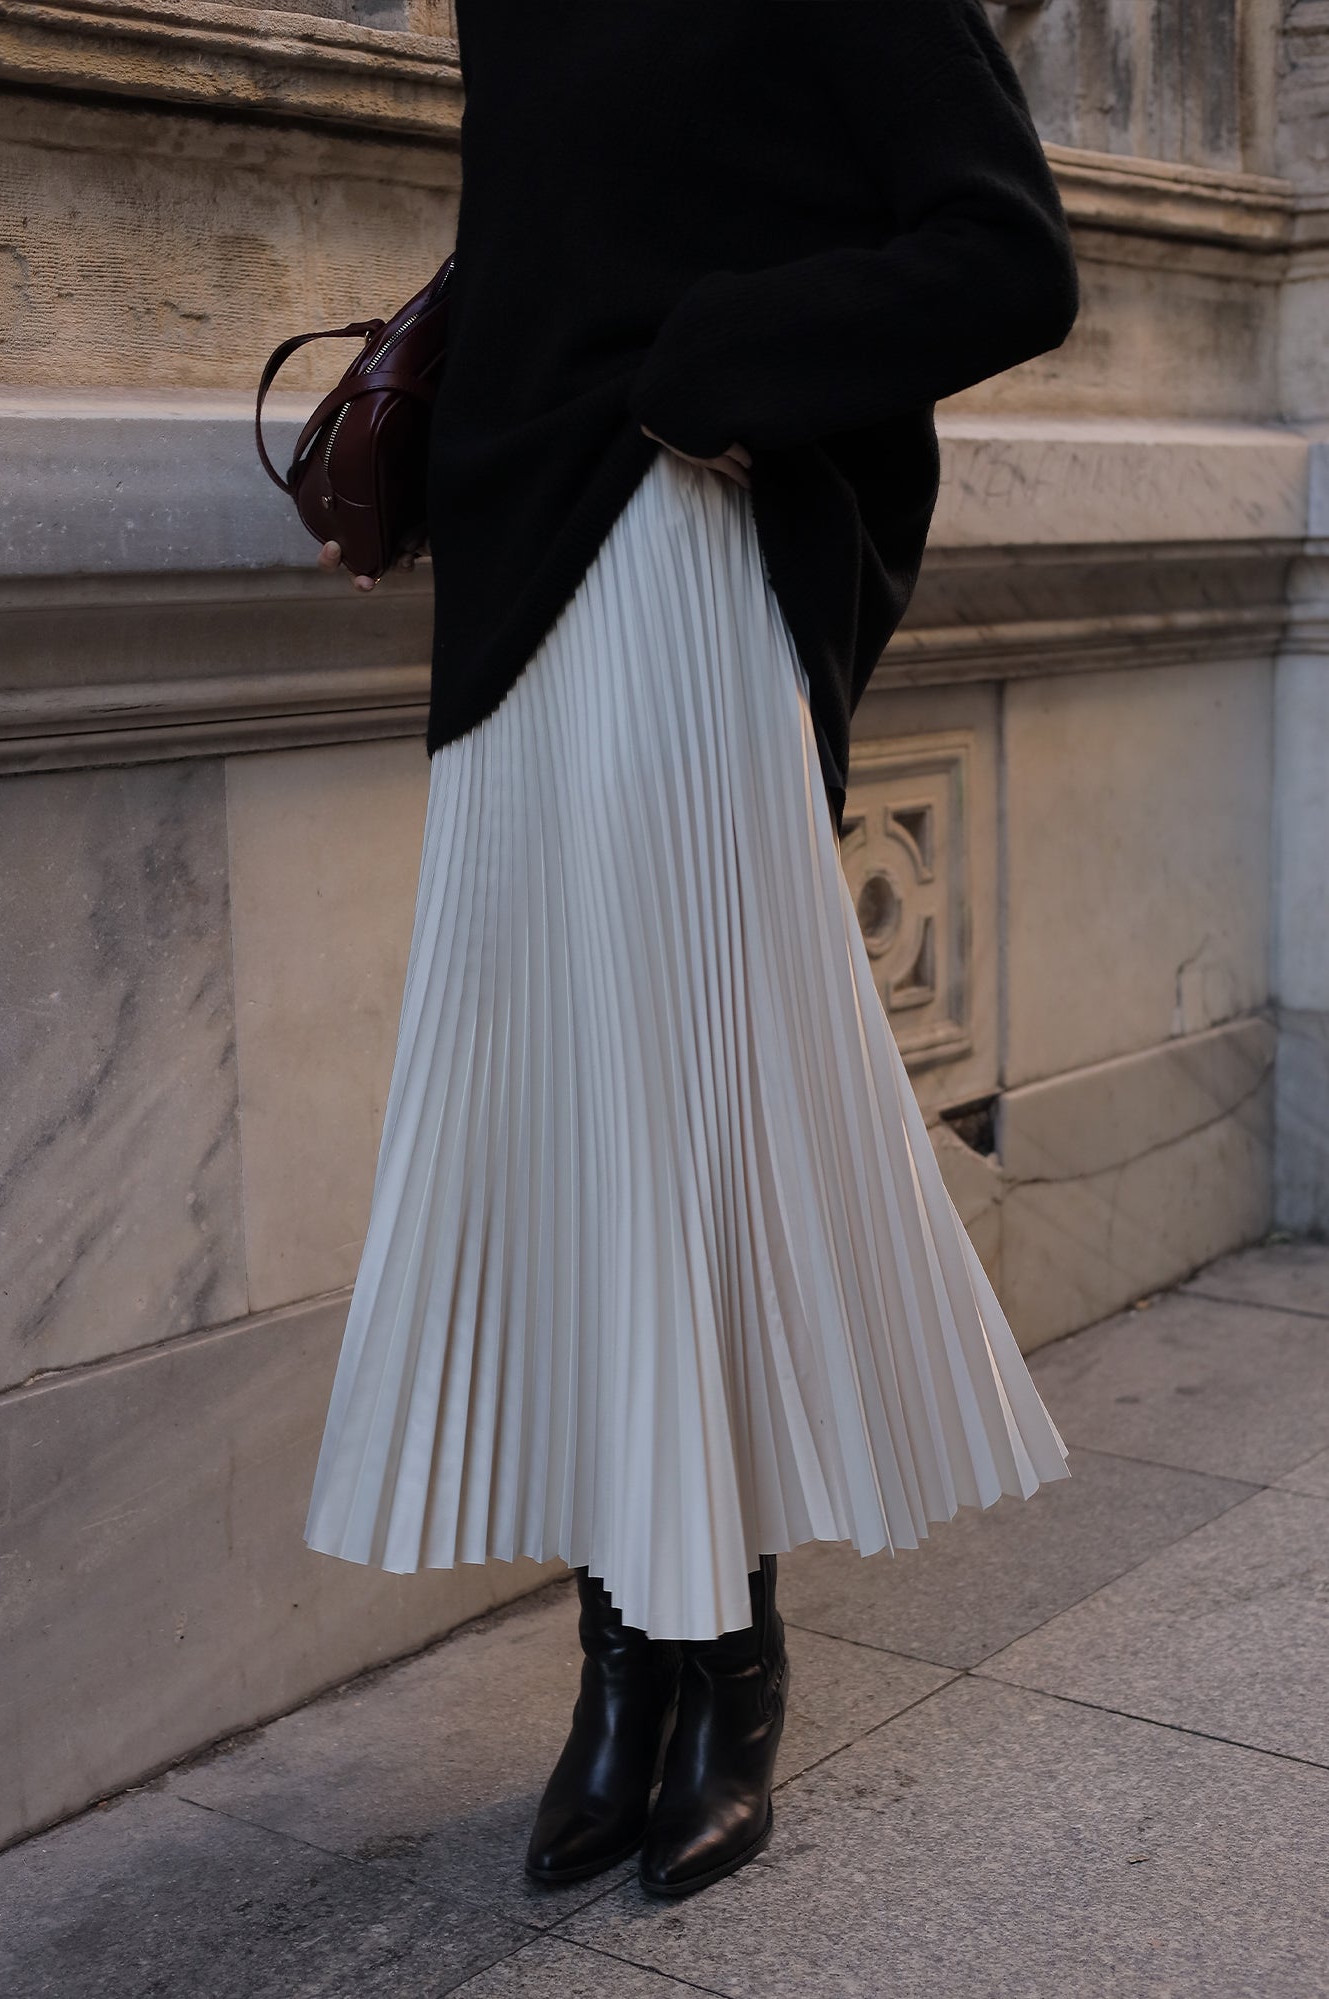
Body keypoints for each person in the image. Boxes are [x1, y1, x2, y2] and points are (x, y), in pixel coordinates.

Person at [303, 0, 1079, 1902]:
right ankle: (623, 1657)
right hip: (512, 596)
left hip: (690, 560)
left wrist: (716, 363)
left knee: (687, 1130)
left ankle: (724, 1658)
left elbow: (1005, 257)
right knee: (570, 1132)